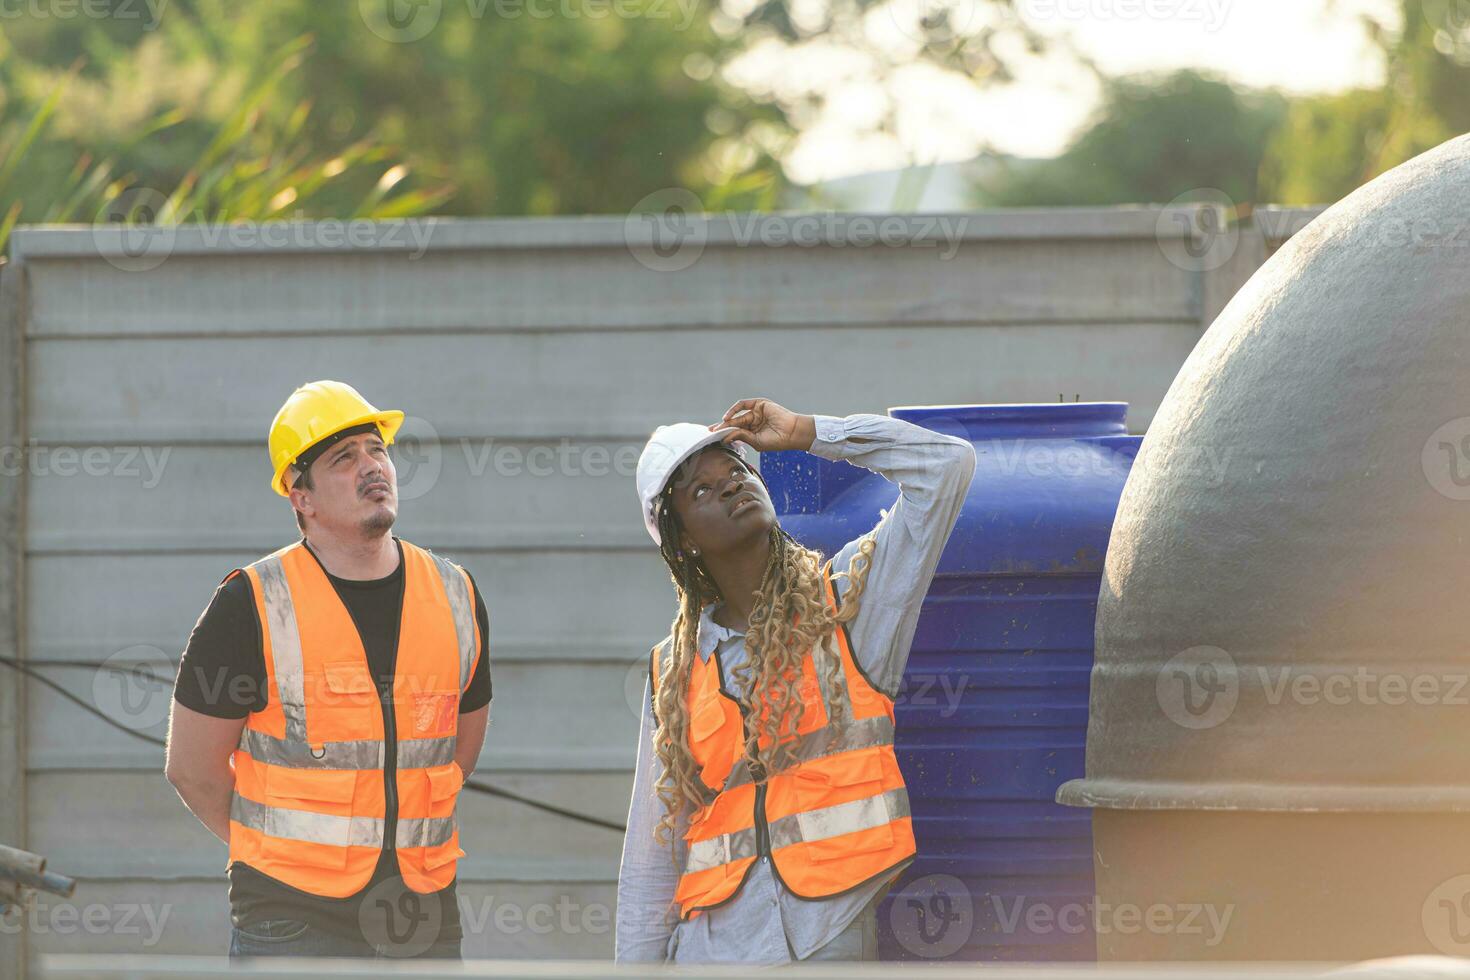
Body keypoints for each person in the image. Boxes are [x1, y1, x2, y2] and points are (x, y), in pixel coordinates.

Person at [616, 397, 975, 964]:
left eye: (735, 470)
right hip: (709, 953)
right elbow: (650, 862)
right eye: (702, 490)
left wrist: (808, 432)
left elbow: (947, 467)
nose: (731, 485)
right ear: (682, 539)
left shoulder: (849, 607)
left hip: (827, 938)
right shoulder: (673, 672)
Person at [164, 380, 491, 959]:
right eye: (344, 458)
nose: (372, 467)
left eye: (377, 449)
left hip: (422, 915)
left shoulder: (456, 595)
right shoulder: (252, 602)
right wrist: (276, 853)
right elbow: (193, 769)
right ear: (302, 497)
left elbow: (458, 752)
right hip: (291, 920)